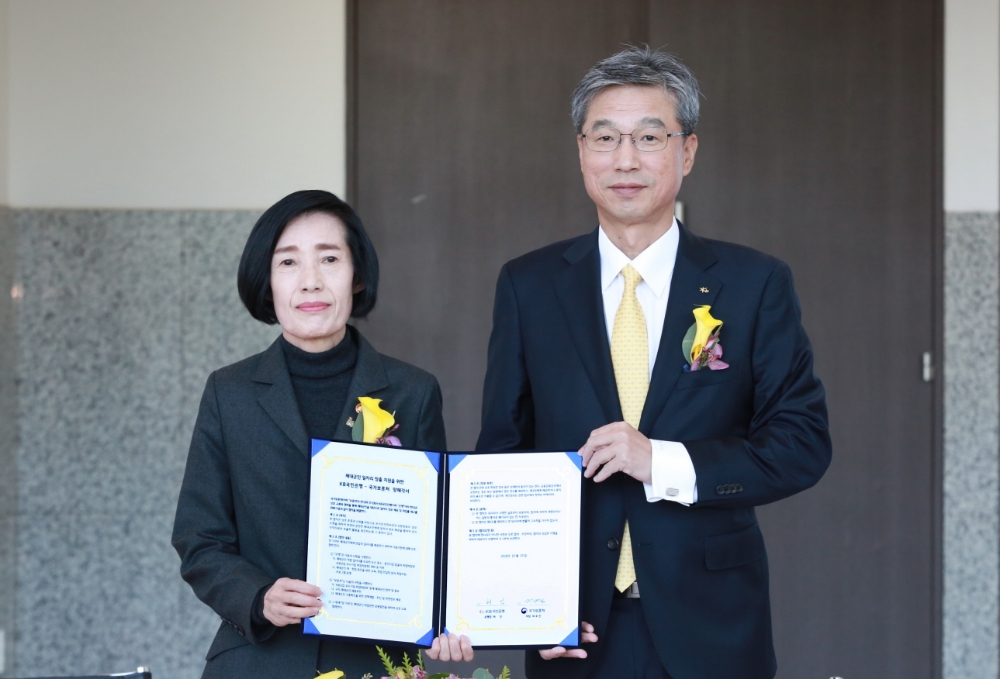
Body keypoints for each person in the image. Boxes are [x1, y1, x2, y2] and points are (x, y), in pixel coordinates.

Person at [477, 47, 832, 679]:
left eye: (649, 137)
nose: (625, 159)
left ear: (687, 151)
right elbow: (503, 459)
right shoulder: (528, 286)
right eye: (605, 137)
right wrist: (523, 610)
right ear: (581, 150)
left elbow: (801, 443)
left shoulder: (753, 284)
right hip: (575, 628)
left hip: (713, 625)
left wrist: (662, 461)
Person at [172, 190, 473, 678]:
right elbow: (199, 538)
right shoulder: (230, 393)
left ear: (356, 275)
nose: (310, 281)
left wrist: (450, 618)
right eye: (288, 262)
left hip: (375, 661)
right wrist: (257, 596)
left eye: (329, 258)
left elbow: (438, 535)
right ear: (267, 282)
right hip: (259, 659)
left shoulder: (413, 391)